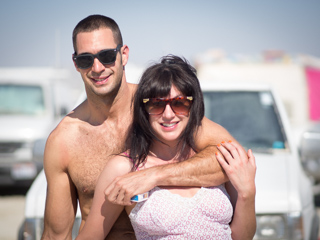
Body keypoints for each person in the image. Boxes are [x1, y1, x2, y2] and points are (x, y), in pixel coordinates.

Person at [41, 15, 241, 240]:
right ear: (76, 63)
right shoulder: (64, 140)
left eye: (107, 56)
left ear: (123, 54)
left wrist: (154, 176)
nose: (97, 68)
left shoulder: (158, 108)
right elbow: (55, 234)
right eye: (86, 59)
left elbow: (232, 158)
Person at [75, 55, 256, 240]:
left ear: (194, 106)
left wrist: (247, 194)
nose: (168, 114)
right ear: (143, 109)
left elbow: (242, 237)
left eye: (179, 103)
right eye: (157, 104)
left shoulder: (218, 160)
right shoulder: (125, 168)